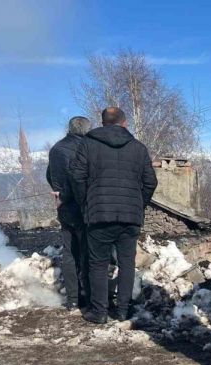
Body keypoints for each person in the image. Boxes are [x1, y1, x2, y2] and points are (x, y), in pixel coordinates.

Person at [70, 107, 157, 324]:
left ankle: (99, 312)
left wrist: (86, 203)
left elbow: (77, 176)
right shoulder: (138, 148)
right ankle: (123, 311)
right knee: (127, 263)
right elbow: (150, 182)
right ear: (124, 123)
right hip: (130, 216)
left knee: (98, 264)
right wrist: (138, 205)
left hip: (99, 214)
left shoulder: (87, 144)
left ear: (103, 123)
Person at [46, 116, 91, 310]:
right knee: (88, 252)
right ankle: (89, 295)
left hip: (64, 208)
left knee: (69, 252)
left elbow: (49, 175)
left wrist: (59, 193)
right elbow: (80, 179)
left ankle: (73, 298)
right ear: (86, 130)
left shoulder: (56, 149)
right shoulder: (87, 148)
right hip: (83, 206)